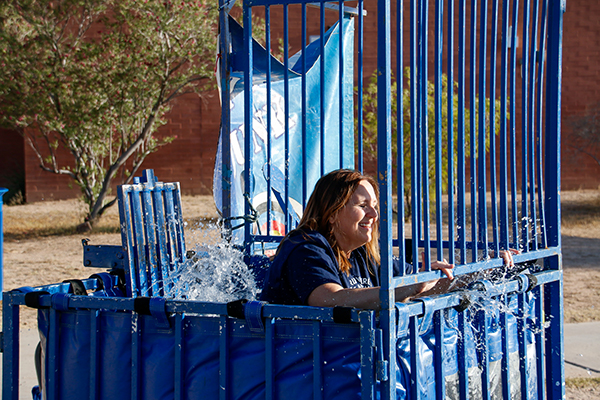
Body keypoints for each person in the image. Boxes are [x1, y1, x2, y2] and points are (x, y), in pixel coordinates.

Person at [259, 169, 458, 309]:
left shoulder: (363, 251)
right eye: (363, 205)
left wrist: (445, 278)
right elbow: (328, 299)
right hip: (298, 361)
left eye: (374, 205)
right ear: (331, 213)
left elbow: (413, 287)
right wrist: (410, 287)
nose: (374, 214)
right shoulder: (305, 248)